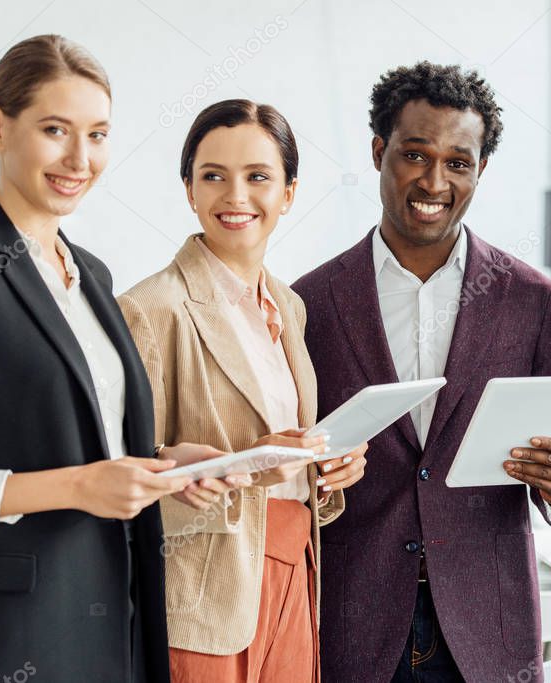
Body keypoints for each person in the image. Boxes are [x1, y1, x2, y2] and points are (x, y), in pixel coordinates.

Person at [0, 34, 231, 682]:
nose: (80, 158)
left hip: (115, 624)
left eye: (98, 134)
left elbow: (86, 438)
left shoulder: (89, 274)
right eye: (56, 129)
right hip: (2, 641)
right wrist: (80, 486)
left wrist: (166, 465)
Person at [293, 62, 551, 683]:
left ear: (480, 171)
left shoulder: (530, 301)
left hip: (489, 633)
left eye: (459, 162)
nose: (435, 180)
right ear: (379, 153)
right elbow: (297, 471)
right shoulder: (311, 303)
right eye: (415, 155)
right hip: (354, 627)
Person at [118, 98, 368, 683]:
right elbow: (114, 469)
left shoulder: (290, 306)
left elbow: (291, 457)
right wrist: (193, 467)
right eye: (213, 176)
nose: (235, 196)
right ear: (189, 189)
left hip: (294, 568)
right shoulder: (151, 309)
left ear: (288, 192)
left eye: (258, 176)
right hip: (206, 588)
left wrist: (326, 468)